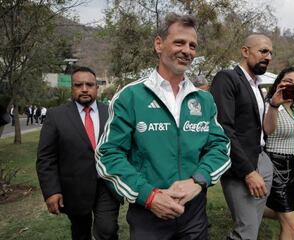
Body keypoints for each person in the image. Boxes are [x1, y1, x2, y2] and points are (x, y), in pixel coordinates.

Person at [95, 13, 231, 239]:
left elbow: (221, 147)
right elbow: (108, 155)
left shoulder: (204, 100)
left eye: (192, 45)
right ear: (159, 44)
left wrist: (197, 181)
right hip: (148, 213)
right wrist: (149, 196)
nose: (187, 51)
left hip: (194, 213)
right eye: (179, 42)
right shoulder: (130, 96)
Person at [36, 66, 121, 240]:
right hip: (74, 189)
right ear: (72, 88)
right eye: (78, 85)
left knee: (108, 230)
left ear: (97, 88)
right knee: (80, 232)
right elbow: (46, 158)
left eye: (89, 84)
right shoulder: (56, 116)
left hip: (107, 185)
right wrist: (51, 191)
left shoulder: (113, 113)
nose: (84, 89)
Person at [211, 34, 274, 240]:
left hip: (262, 160)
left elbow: (259, 127)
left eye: (271, 53)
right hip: (241, 167)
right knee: (245, 231)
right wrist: (248, 171)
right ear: (245, 51)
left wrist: (275, 104)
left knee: (252, 227)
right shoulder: (227, 78)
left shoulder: (257, 86)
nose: (269, 56)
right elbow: (224, 128)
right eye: (263, 51)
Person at [262, 67, 294, 240]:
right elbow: (268, 130)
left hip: (292, 166)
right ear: (279, 82)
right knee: (292, 224)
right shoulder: (268, 105)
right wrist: (274, 105)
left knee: (284, 214)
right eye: (288, 81)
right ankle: (248, 208)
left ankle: (250, 208)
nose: (292, 86)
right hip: (275, 165)